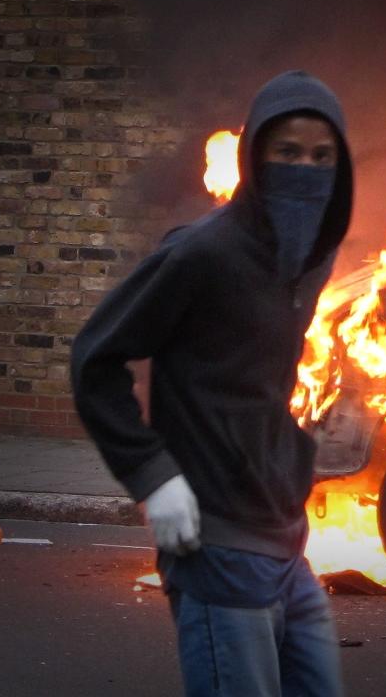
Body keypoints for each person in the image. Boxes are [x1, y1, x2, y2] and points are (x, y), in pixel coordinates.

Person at [71, 70, 354, 696]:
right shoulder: (204, 254)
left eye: (321, 156)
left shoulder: (311, 260)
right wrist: (154, 475)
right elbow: (96, 359)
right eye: (286, 153)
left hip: (284, 542)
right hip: (219, 546)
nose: (304, 169)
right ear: (254, 156)